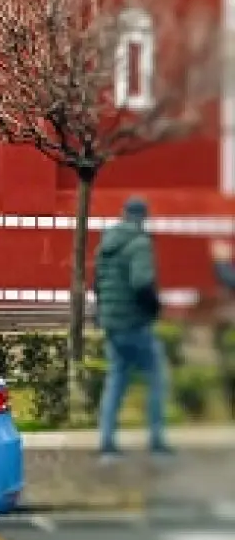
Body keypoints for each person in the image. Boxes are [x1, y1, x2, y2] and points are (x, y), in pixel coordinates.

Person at [92, 196, 172, 460]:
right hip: (135, 324)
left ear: (123, 214)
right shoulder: (140, 243)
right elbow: (142, 283)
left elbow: (97, 285)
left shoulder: (105, 244)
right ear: (143, 217)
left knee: (116, 380)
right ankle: (157, 441)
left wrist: (104, 315)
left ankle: (106, 442)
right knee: (157, 378)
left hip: (112, 324)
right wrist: (155, 309)